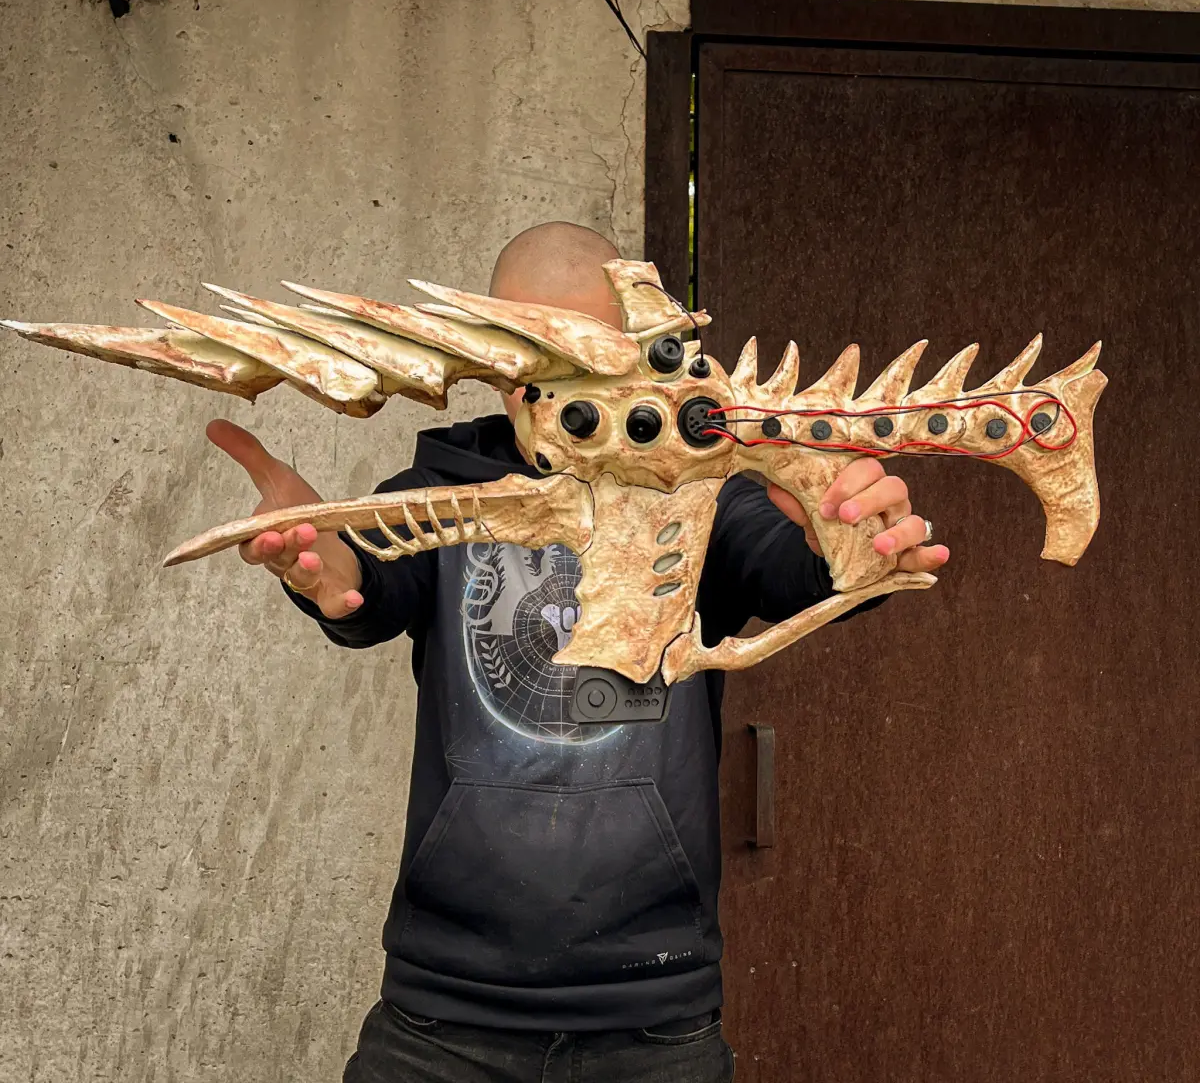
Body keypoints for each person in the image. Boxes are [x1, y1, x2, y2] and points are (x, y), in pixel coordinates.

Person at [206, 223, 949, 1082]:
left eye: (594, 357)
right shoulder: (439, 491)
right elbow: (365, 583)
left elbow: (796, 570)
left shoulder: (700, 490)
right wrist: (321, 558)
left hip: (655, 1020)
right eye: (536, 359)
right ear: (495, 362)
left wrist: (849, 537)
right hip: (441, 1013)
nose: (563, 388)